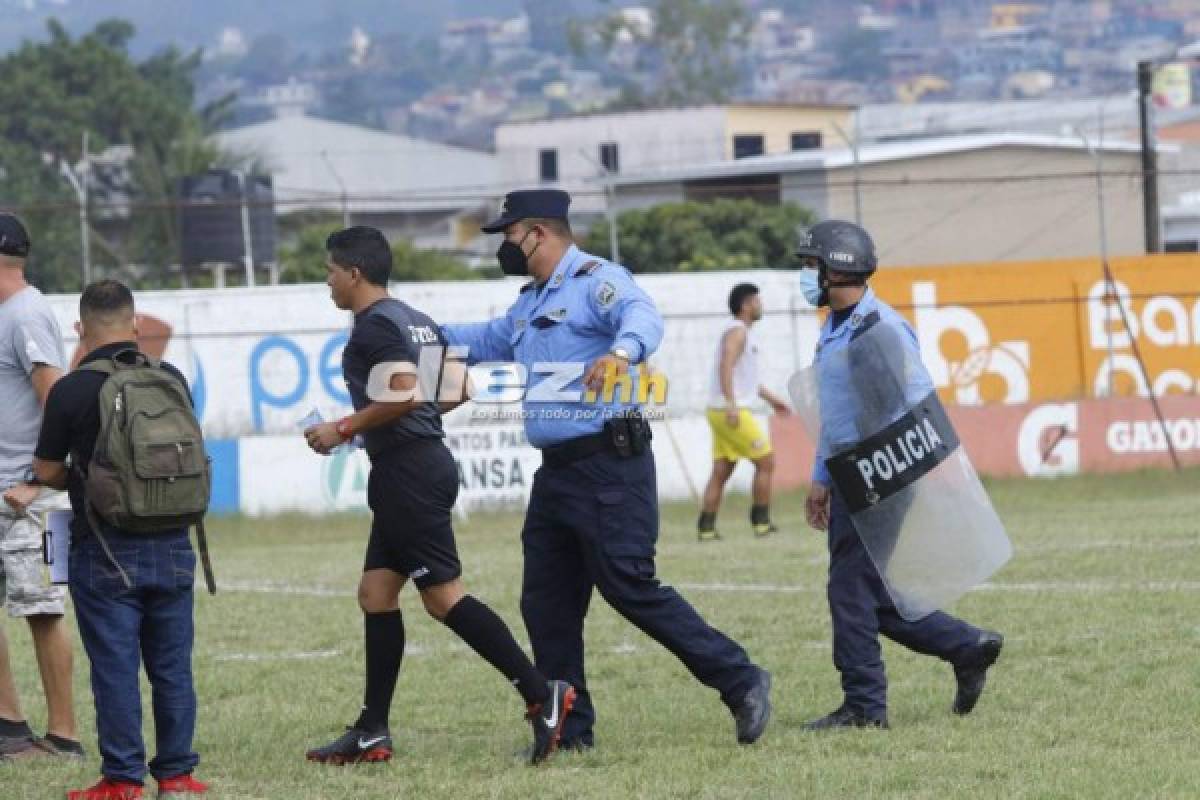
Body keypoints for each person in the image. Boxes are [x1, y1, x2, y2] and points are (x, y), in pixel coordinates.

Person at [442, 189, 772, 752]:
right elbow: (485, 340)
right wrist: (412, 330)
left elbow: (641, 315)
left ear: (538, 234)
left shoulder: (597, 279)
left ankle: (740, 678)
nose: (504, 246)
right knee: (545, 602)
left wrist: (620, 354)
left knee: (628, 585)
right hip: (557, 476)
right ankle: (570, 729)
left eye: (509, 235)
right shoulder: (529, 302)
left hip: (609, 466)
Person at [301, 226, 574, 767]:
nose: (327, 281)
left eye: (330, 271)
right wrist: (405, 420)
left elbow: (404, 394)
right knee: (376, 594)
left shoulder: (371, 329)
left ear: (354, 273)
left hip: (408, 473)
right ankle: (372, 731)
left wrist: (346, 427)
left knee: (443, 597)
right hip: (419, 464)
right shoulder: (415, 320)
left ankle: (543, 694)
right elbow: (456, 389)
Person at [795, 220, 1003, 730]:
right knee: (870, 597)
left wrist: (892, 470)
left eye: (812, 265)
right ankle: (965, 646)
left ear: (836, 268)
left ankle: (865, 707)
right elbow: (835, 416)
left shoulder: (879, 328)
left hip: (879, 477)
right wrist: (821, 476)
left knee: (849, 590)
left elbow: (915, 399)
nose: (806, 276)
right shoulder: (835, 330)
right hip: (848, 472)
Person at [33, 280, 208, 799]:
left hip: (105, 549)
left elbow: (45, 470)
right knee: (172, 666)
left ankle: (123, 780)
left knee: (115, 668)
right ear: (134, 326)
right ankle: (177, 774)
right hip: (176, 541)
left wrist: (79, 476)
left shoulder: (71, 388)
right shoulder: (170, 377)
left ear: (80, 330)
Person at [0, 213, 82, 761]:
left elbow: (59, 399)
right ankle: (9, 728)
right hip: (5, 490)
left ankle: (65, 736)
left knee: (43, 610)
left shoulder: (26, 311)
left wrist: (38, 477)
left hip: (30, 496)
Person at [697, 282, 791, 542]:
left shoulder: (742, 333)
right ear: (745, 305)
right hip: (729, 411)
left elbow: (745, 379)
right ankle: (760, 523)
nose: (761, 306)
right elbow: (726, 365)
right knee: (766, 461)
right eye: (757, 301)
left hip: (720, 409)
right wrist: (731, 403)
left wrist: (773, 400)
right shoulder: (738, 332)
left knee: (722, 470)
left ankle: (706, 528)